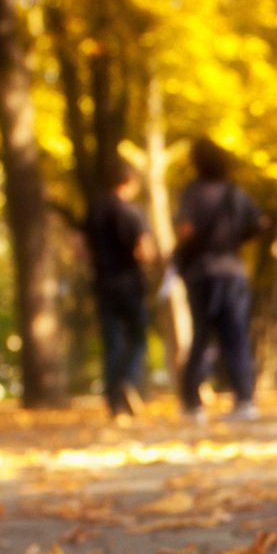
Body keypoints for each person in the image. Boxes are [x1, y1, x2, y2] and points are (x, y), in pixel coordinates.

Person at [174, 138, 269, 422]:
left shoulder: (193, 192)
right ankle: (244, 400)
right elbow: (261, 222)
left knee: (201, 336)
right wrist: (237, 238)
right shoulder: (234, 192)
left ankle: (192, 404)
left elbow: (185, 230)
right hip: (233, 272)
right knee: (236, 336)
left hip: (203, 272)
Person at [85, 161, 154, 418]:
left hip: (103, 282)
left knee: (111, 342)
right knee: (137, 338)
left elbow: (79, 247)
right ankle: (127, 379)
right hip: (130, 283)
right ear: (128, 182)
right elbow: (144, 251)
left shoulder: (95, 211)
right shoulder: (132, 213)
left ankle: (113, 402)